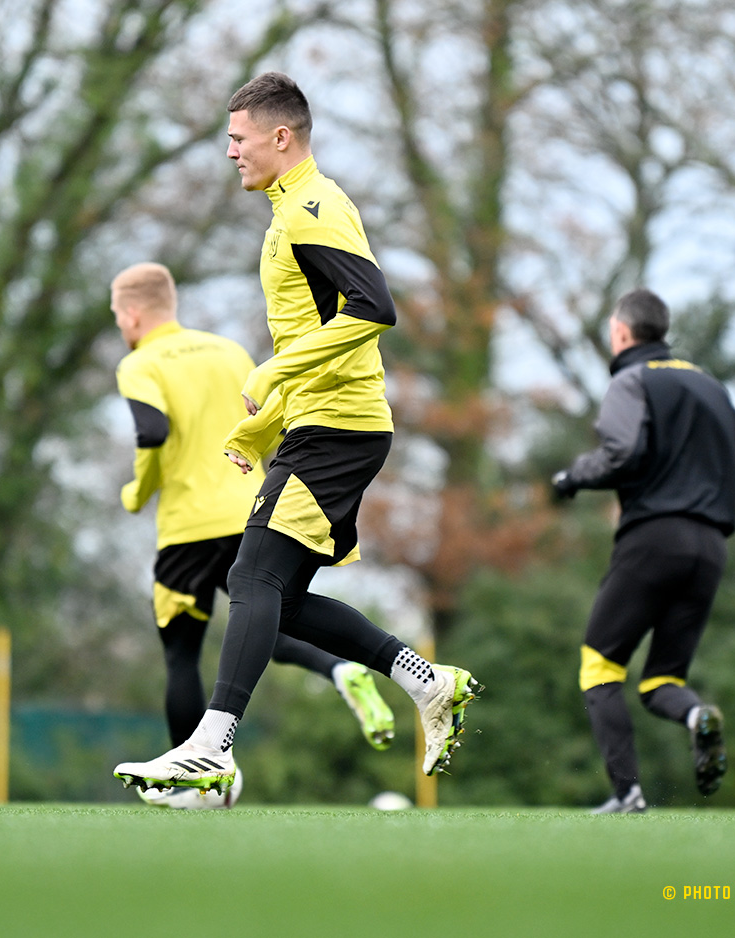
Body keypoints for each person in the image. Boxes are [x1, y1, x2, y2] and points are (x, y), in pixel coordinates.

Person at [114, 73, 481, 797]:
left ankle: (211, 747)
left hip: (339, 430)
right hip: (326, 425)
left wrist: (276, 371)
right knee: (275, 593)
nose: (230, 153)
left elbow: (374, 308)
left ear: (281, 137)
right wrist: (262, 428)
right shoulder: (294, 208)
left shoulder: (311, 207)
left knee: (251, 580)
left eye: (238, 138)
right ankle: (427, 681)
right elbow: (326, 334)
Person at [110, 261, 397, 807]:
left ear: (131, 313)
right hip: (250, 511)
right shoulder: (229, 352)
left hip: (187, 528)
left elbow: (152, 432)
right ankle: (339, 669)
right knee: (264, 615)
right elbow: (271, 415)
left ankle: (193, 779)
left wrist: (136, 490)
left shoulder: (139, 362)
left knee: (181, 658)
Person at [551, 287, 735, 814]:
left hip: (653, 538)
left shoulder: (630, 380)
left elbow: (622, 452)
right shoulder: (710, 386)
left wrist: (572, 477)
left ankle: (628, 794)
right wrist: (716, 510)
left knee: (600, 666)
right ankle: (697, 718)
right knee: (663, 679)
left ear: (622, 332)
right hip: (711, 547)